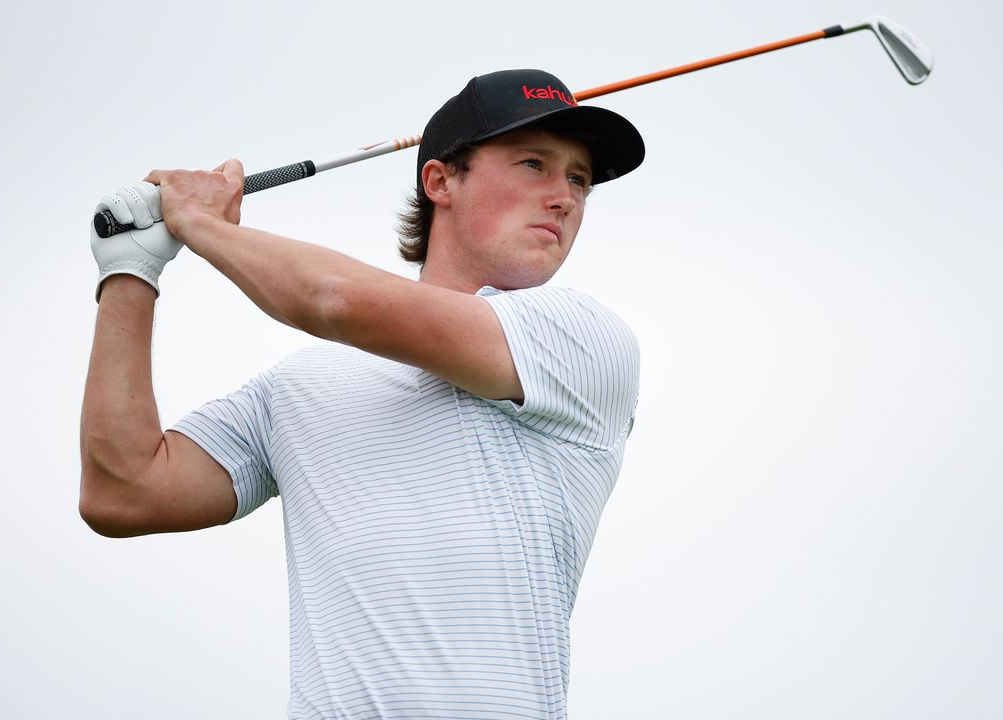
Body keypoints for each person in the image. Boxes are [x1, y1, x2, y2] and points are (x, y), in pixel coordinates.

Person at [81, 69, 645, 719]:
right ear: (441, 181)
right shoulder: (297, 390)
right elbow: (122, 490)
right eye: (534, 164)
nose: (565, 197)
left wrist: (201, 226)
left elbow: (338, 300)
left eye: (579, 178)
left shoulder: (581, 340)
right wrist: (131, 268)